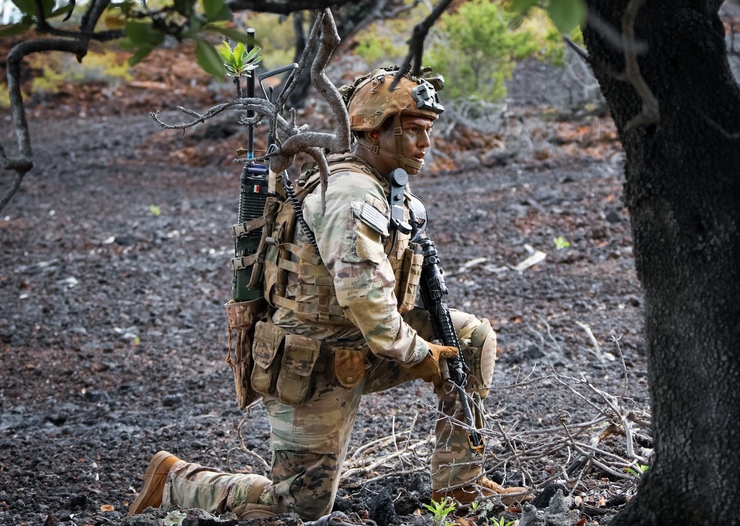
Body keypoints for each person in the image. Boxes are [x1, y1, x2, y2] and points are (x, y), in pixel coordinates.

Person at [128, 68, 528, 520]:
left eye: (427, 131)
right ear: (373, 132)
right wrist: (422, 353)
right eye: (414, 131)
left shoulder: (385, 183)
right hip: (311, 361)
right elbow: (365, 299)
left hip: (365, 343)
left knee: (470, 340)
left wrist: (436, 349)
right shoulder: (350, 193)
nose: (426, 143)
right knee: (300, 507)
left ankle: (461, 486)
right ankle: (177, 481)